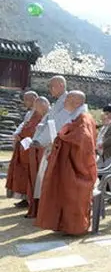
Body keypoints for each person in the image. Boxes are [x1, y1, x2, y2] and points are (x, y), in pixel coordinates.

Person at [35, 91, 97, 235]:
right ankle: (65, 225)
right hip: (69, 163)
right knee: (63, 193)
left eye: (68, 99)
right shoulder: (76, 117)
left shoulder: (84, 118)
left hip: (79, 167)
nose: (64, 103)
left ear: (77, 102)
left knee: (72, 195)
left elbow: (84, 139)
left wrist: (63, 135)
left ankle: (76, 228)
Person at [31, 76, 70, 205]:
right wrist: (37, 137)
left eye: (51, 86)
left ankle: (52, 206)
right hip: (51, 144)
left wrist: (40, 140)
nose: (49, 89)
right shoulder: (59, 102)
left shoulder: (68, 101)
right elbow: (47, 122)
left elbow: (57, 124)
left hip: (58, 145)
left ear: (61, 85)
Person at [6, 91, 38, 206]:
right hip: (23, 145)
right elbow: (24, 125)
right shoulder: (29, 113)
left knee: (30, 173)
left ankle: (30, 199)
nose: (25, 102)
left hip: (32, 147)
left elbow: (34, 129)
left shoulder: (40, 113)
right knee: (22, 172)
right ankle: (24, 197)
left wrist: (23, 135)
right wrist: (17, 133)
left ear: (34, 99)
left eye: (27, 99)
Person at [25, 97, 50, 218]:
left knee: (43, 182)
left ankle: (43, 209)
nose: (37, 110)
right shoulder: (44, 116)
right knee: (36, 182)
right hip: (36, 152)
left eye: (39, 107)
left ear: (45, 104)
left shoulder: (52, 115)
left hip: (45, 153)